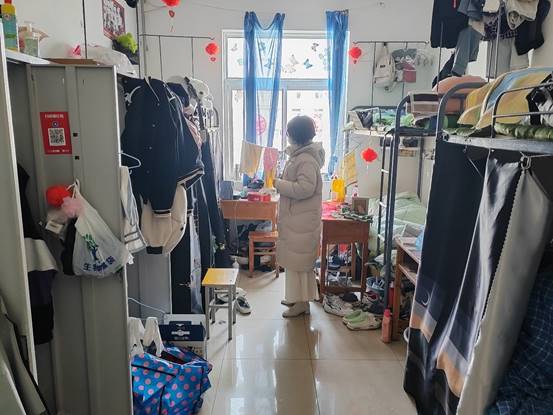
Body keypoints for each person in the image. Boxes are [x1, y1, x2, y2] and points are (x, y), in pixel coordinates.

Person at [274, 115, 325, 318]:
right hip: (297, 221)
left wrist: (278, 184)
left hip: (301, 222)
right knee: (295, 263)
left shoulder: (306, 159)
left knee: (300, 265)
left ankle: (302, 303)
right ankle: (295, 297)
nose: (287, 136)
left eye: (289, 132)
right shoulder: (300, 156)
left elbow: (305, 188)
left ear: (296, 135)